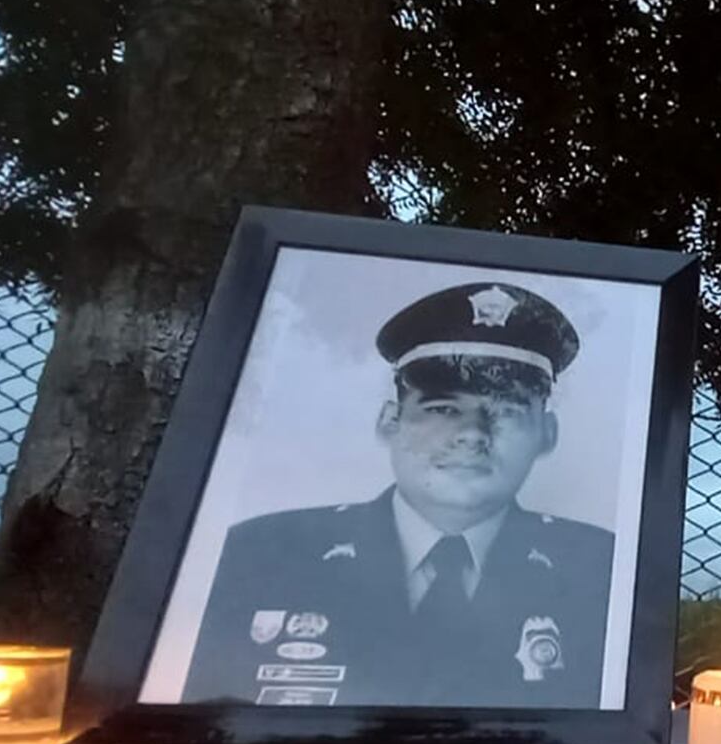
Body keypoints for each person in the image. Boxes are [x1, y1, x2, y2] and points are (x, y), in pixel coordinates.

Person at [182, 282, 614, 709]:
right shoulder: (256, 555)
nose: (471, 435)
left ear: (547, 433)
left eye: (506, 411)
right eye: (442, 409)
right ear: (390, 421)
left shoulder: (603, 571)